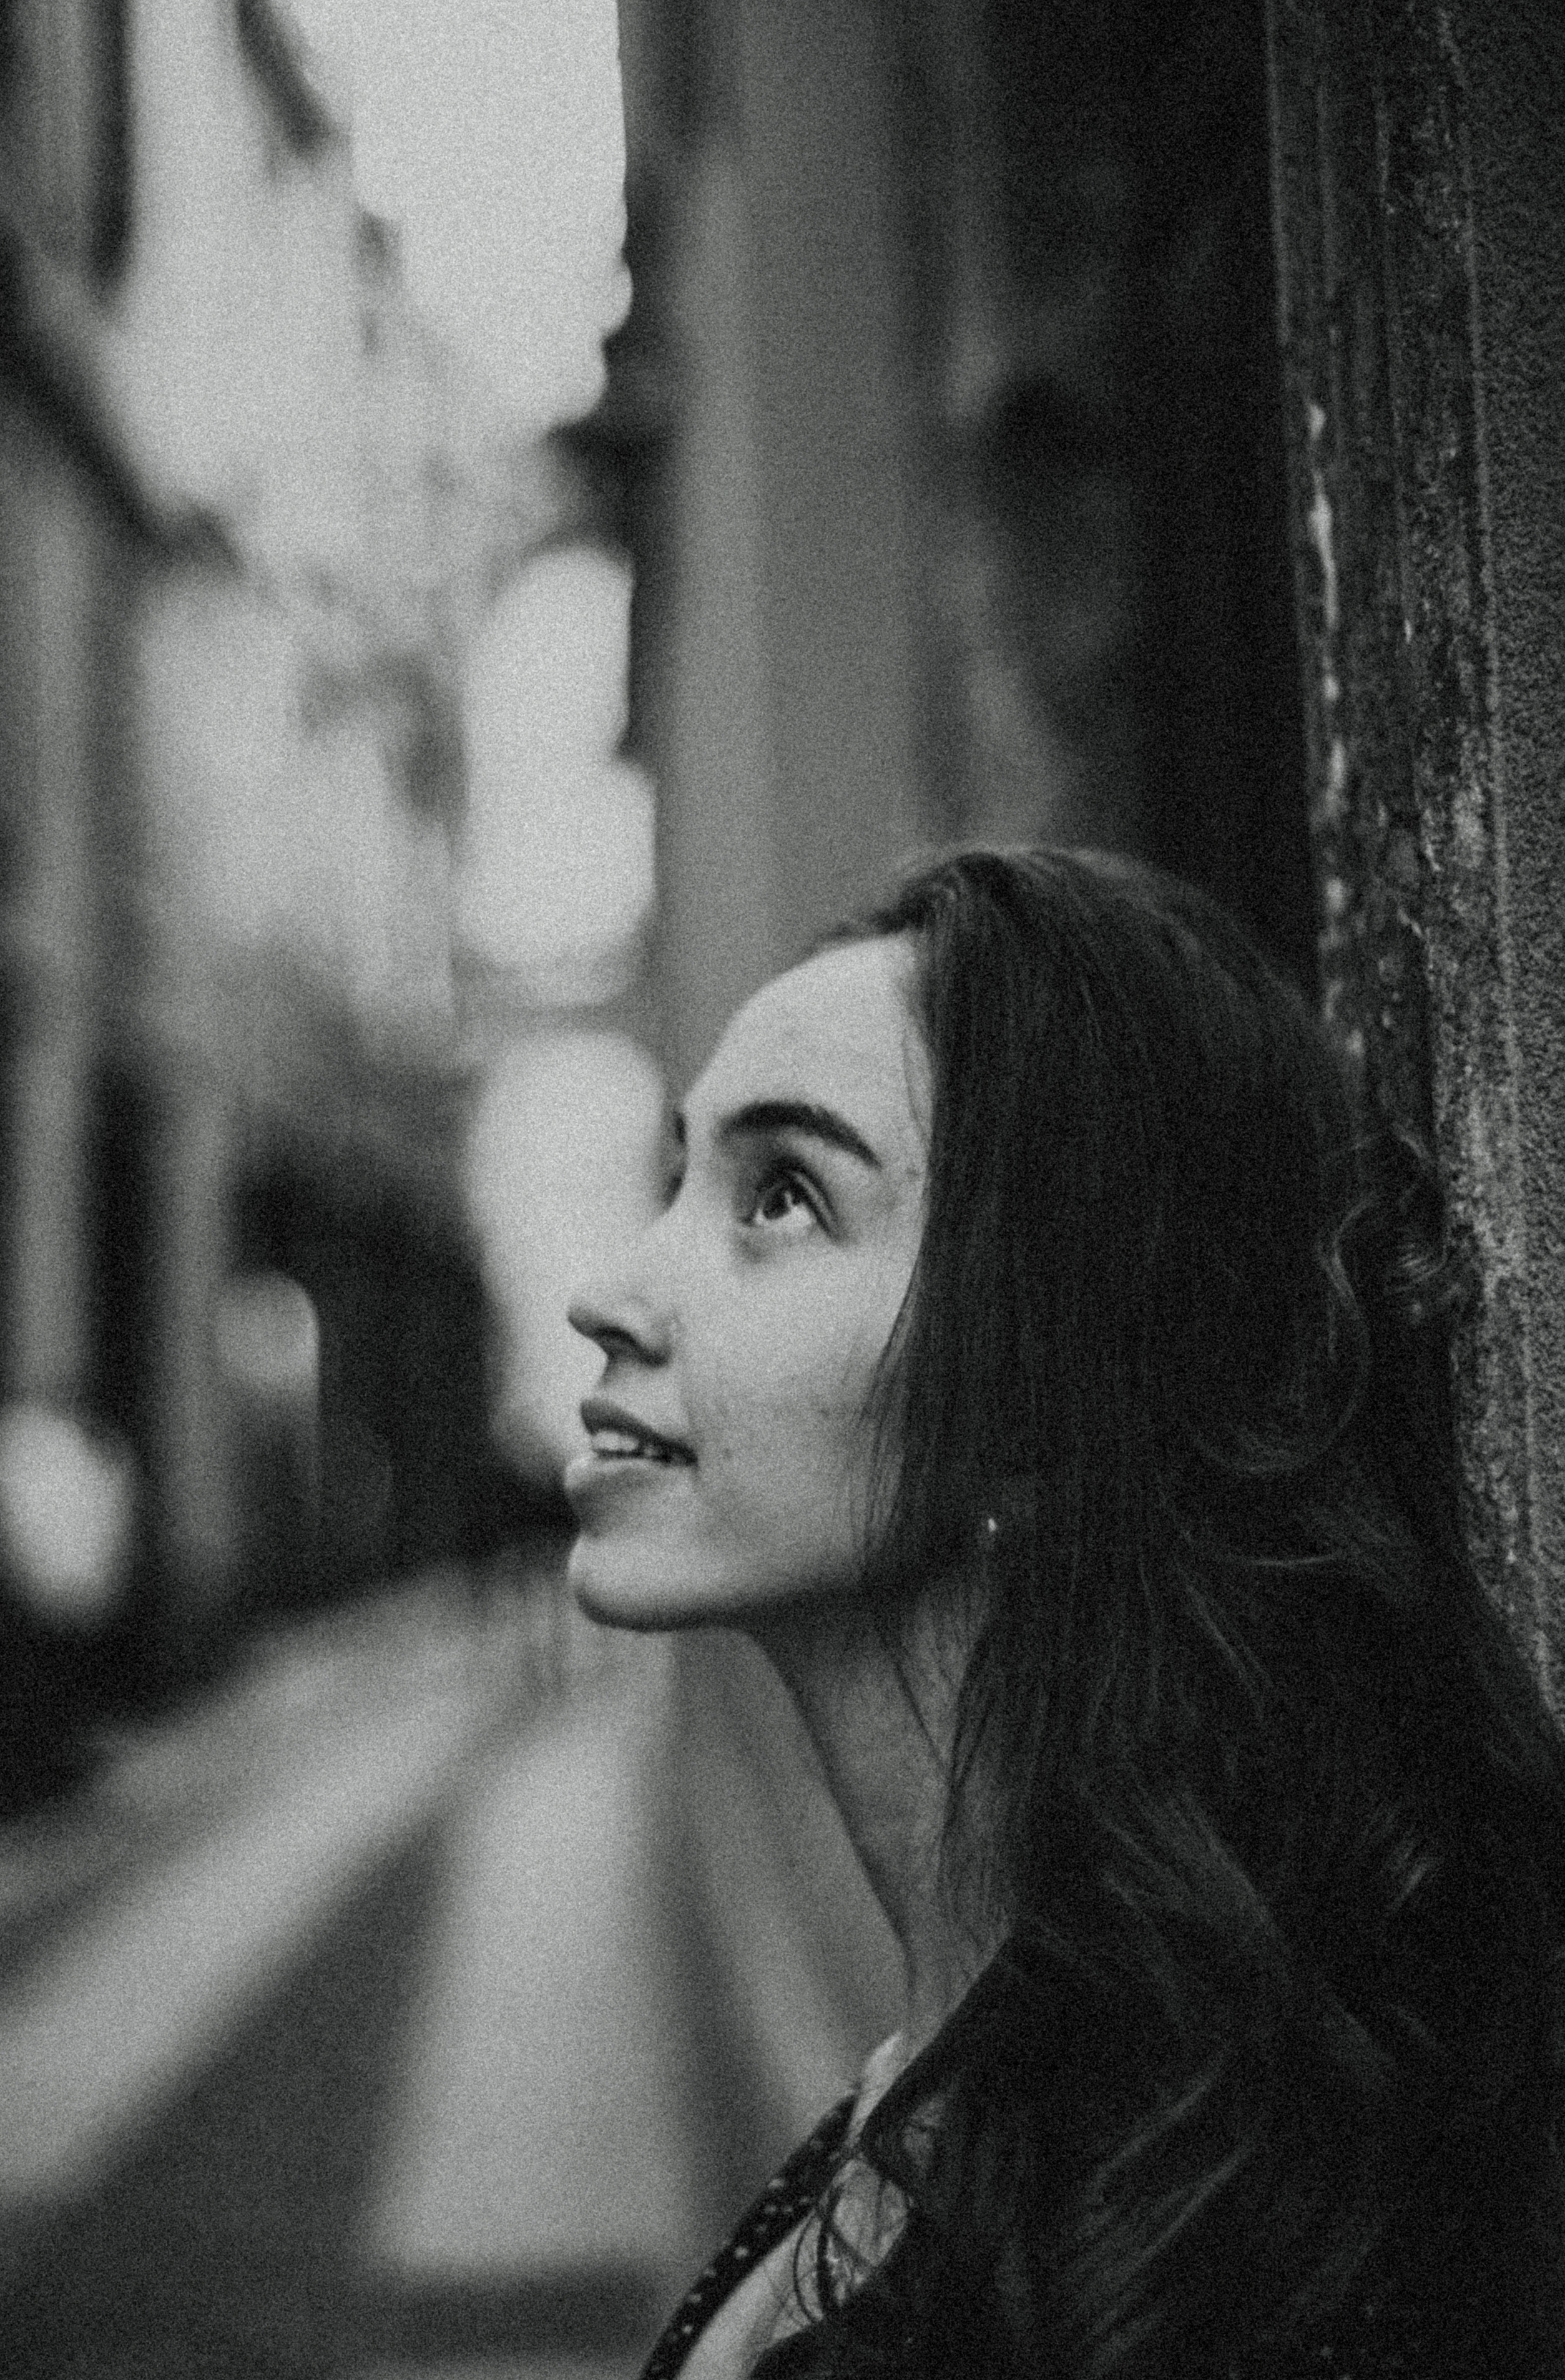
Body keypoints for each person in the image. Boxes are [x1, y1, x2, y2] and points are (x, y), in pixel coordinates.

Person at [562, 846, 1565, 2380]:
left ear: (1041, 1394)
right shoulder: (959, 2086)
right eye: (676, 1179)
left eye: (781, 1195)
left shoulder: (1200, 2252)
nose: (614, 1294)